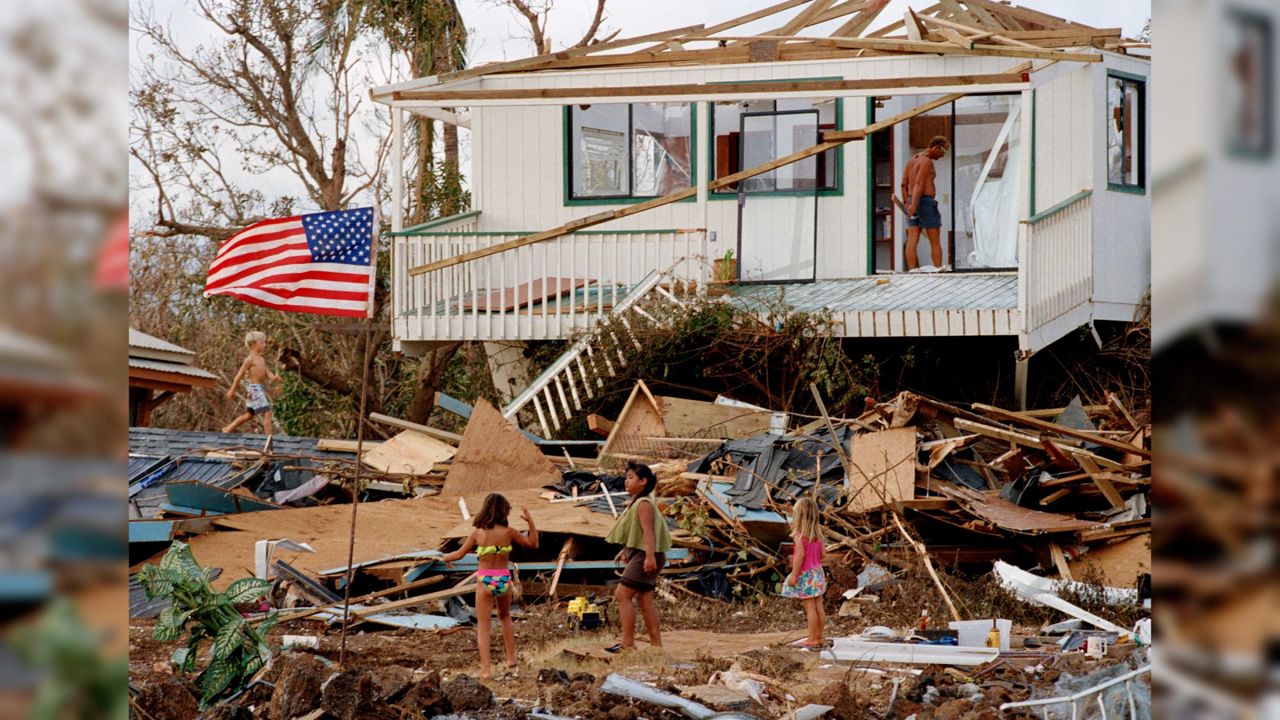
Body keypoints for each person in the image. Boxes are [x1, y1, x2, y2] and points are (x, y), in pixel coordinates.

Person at [441, 493, 539, 679]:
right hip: (504, 579)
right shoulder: (509, 533)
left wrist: (445, 558)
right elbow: (533, 544)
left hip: (485, 580)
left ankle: (486, 670)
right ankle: (511, 660)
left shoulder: (478, 533)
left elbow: (459, 554)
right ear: (503, 511)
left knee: (483, 626)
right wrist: (530, 521)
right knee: (505, 617)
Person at [604, 460, 671, 652]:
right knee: (644, 598)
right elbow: (637, 533)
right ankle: (656, 644)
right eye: (626, 477)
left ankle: (627, 643)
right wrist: (626, 550)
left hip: (646, 555)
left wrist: (649, 556)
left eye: (630, 477)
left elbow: (648, 532)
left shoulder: (643, 504)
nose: (626, 481)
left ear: (643, 481)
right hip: (642, 553)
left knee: (622, 594)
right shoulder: (637, 501)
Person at [781, 497, 827, 649]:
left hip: (806, 574)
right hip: (818, 573)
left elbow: (799, 555)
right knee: (819, 606)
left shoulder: (799, 535)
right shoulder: (818, 536)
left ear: (798, 516)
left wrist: (794, 574)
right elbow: (823, 555)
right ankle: (819, 637)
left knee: (809, 608)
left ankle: (812, 639)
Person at [901, 135, 950, 270]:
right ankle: (938, 269)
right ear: (936, 147)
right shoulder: (927, 161)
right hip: (925, 202)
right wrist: (914, 206)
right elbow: (919, 183)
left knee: (912, 238)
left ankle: (912, 270)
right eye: (943, 152)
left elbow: (903, 184)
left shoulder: (912, 161)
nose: (942, 156)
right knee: (935, 240)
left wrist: (908, 204)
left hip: (912, 200)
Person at [222, 331, 281, 435]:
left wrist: (275, 378)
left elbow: (268, 373)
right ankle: (269, 439)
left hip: (259, 389)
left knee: (249, 415)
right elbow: (238, 376)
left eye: (264, 342)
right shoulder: (249, 360)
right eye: (262, 343)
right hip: (254, 389)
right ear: (253, 344)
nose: (264, 345)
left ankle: (228, 428)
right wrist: (232, 390)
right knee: (268, 412)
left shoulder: (262, 359)